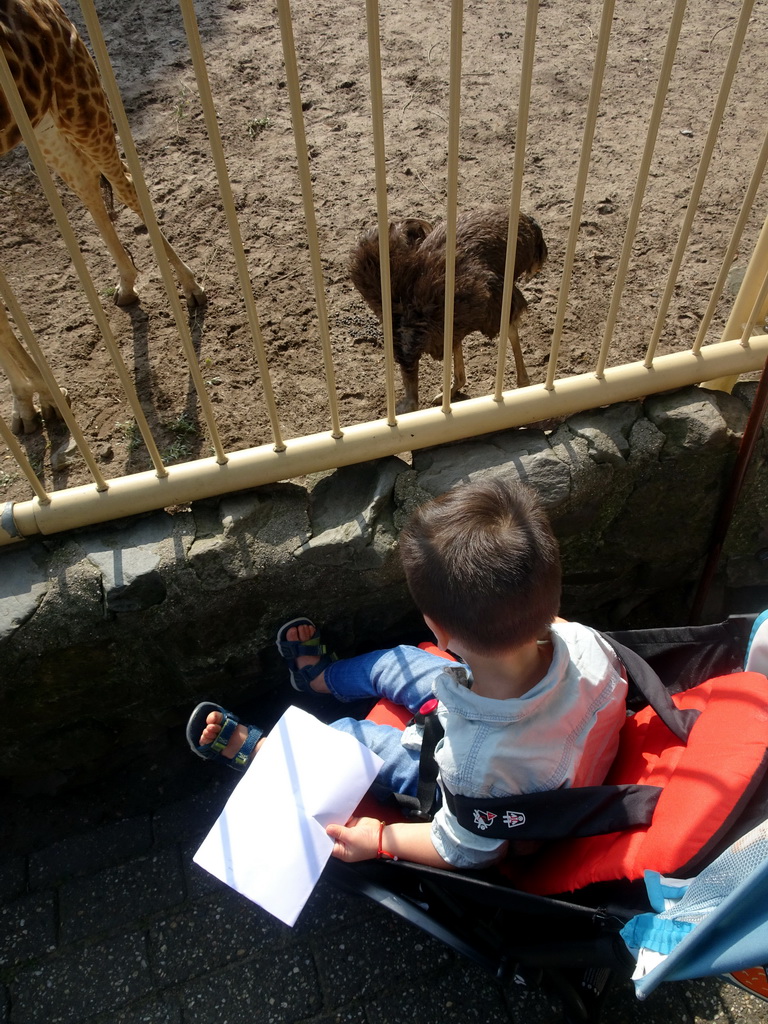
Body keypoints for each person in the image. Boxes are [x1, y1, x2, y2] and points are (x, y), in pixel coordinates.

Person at [186, 477, 628, 871]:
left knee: (353, 739)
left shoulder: (472, 766)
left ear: (437, 630)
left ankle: (269, 754)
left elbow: (466, 849)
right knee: (396, 661)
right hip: (506, 698)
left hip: (464, 771)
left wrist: (378, 839)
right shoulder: (590, 642)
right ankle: (320, 680)